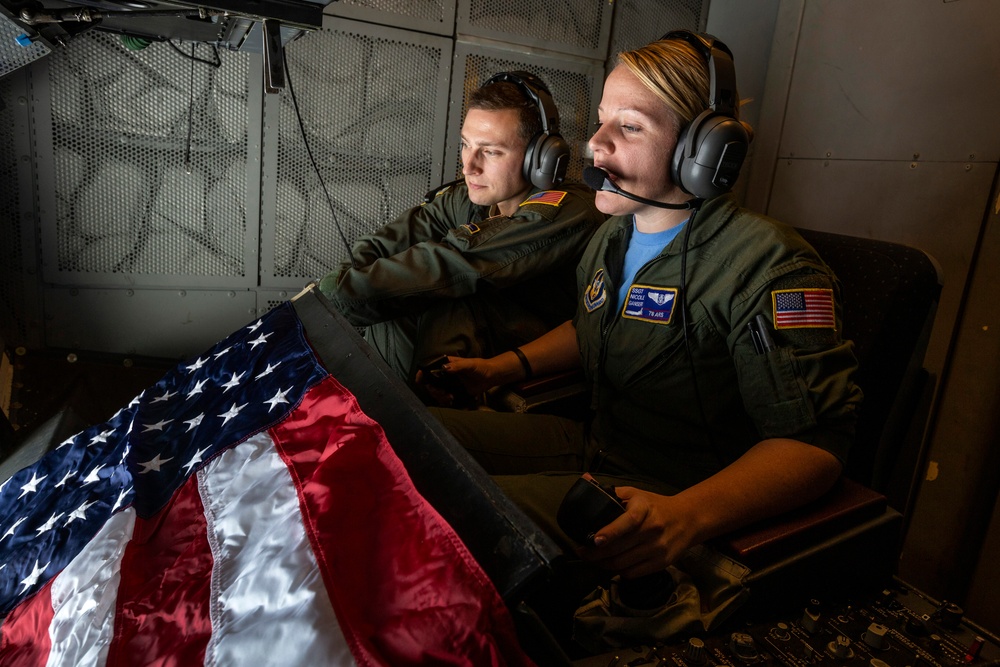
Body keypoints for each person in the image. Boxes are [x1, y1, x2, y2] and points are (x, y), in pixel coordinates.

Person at [429, 32, 863, 586]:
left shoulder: (770, 267)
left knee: (447, 517)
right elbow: (591, 327)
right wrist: (500, 368)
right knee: (401, 440)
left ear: (701, 152)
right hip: (597, 446)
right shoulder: (613, 238)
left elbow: (814, 446)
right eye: (603, 120)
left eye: (629, 127)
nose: (594, 145)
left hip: (670, 490)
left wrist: (686, 516)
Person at [318, 72, 606, 388]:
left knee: (423, 291)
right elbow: (384, 244)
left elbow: (457, 263)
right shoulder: (471, 200)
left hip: (541, 369)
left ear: (541, 158)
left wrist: (332, 300)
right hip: (481, 342)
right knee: (394, 292)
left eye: (491, 151)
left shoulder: (569, 210)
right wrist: (335, 289)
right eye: (466, 145)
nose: (469, 166)